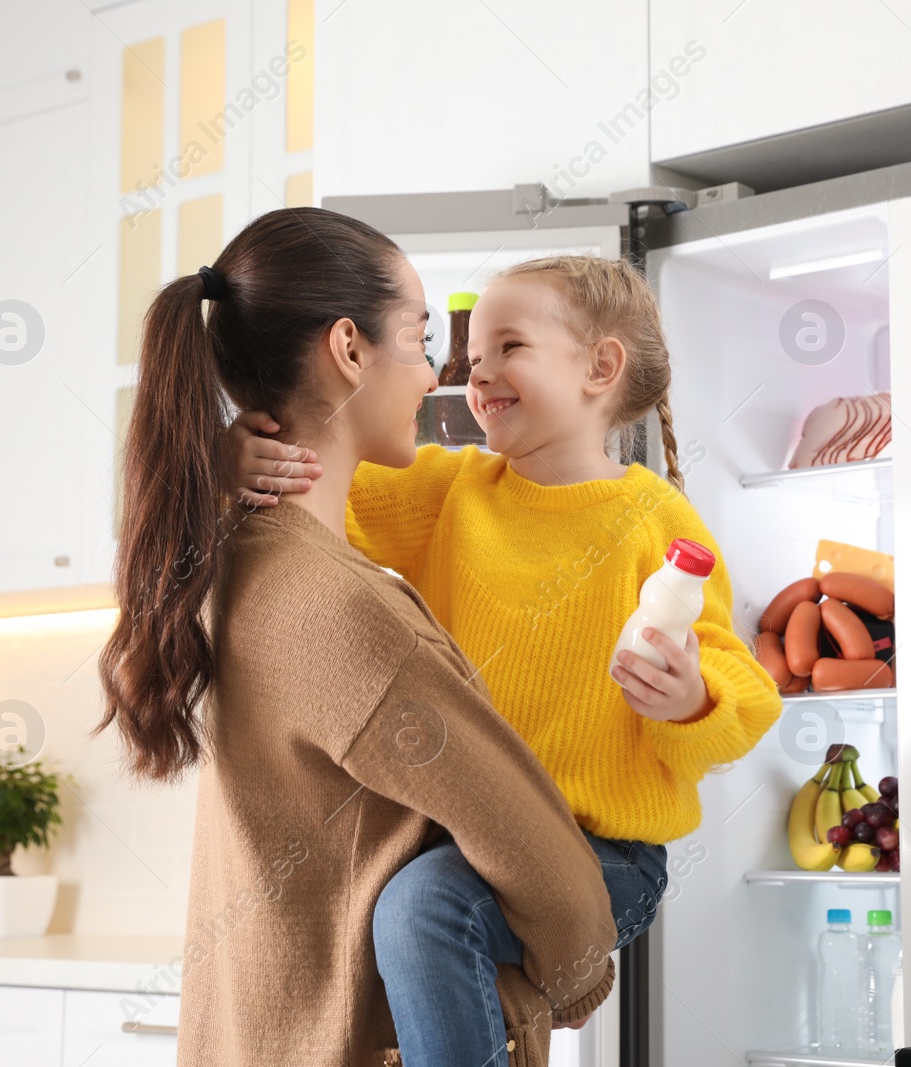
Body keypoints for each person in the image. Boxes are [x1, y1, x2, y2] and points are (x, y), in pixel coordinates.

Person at [229, 255, 783, 1065]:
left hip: (607, 856)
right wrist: (236, 459)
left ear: (600, 368)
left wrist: (691, 698)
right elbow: (317, 480)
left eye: (509, 346)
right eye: (472, 352)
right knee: (406, 910)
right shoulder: (453, 489)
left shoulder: (655, 522)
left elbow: (745, 693)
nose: (477, 371)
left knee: (418, 906)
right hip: (482, 844)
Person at [98, 209, 616, 1067]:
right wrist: (572, 977)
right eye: (418, 339)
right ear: (348, 348)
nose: (433, 373)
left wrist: (224, 472)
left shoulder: (225, 566)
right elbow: (541, 856)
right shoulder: (338, 613)